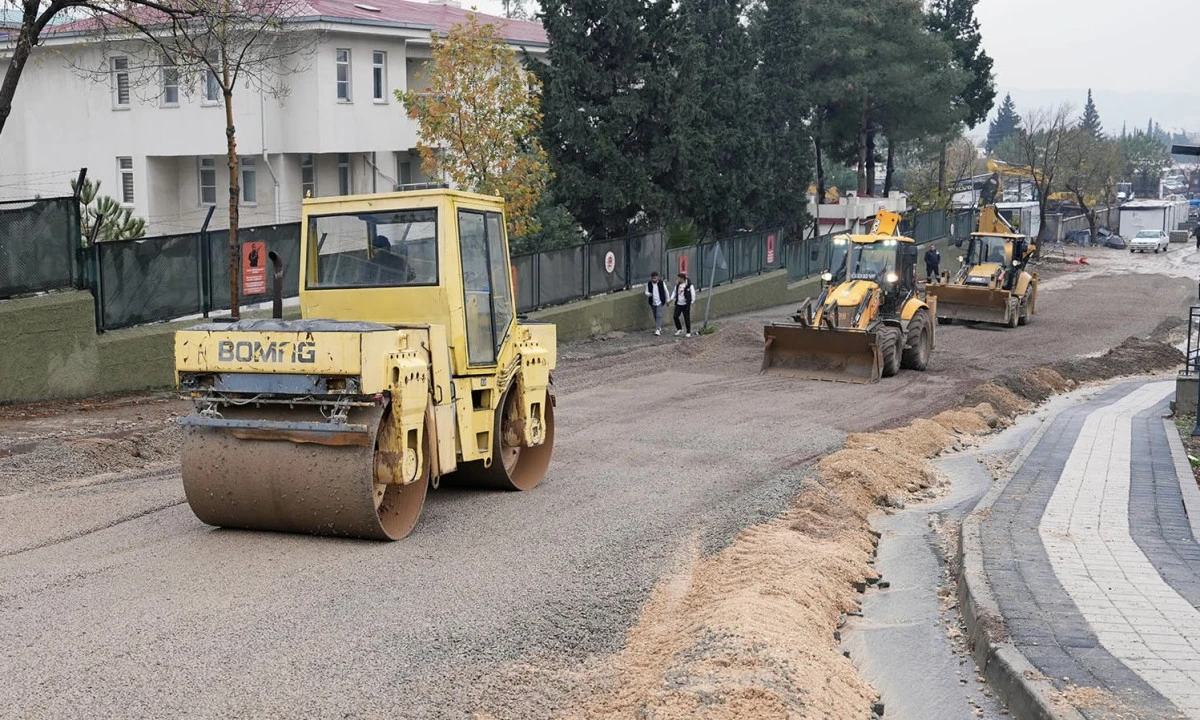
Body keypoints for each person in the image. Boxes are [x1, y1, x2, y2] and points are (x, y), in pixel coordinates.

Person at [670, 272, 698, 337]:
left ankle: (688, 331)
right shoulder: (677, 285)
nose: (678, 279)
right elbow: (674, 292)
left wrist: (691, 301)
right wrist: (671, 299)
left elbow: (693, 293)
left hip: (685, 304)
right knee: (675, 316)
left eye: (679, 278)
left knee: (686, 318)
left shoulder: (689, 285)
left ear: (682, 278)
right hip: (678, 304)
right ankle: (679, 328)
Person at [644, 271, 670, 336]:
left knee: (659, 315)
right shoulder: (649, 284)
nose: (654, 279)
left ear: (658, 278)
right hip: (653, 302)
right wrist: (650, 294)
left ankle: (657, 329)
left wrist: (668, 300)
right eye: (653, 278)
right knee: (655, 315)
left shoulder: (662, 283)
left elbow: (666, 291)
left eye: (655, 278)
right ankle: (658, 326)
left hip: (660, 301)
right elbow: (646, 292)